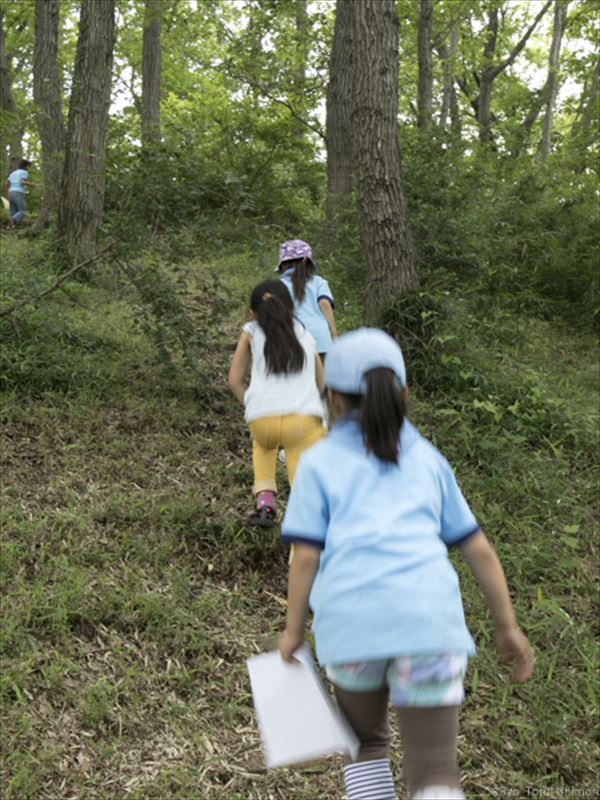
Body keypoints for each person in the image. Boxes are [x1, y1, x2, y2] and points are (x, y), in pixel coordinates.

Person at [277, 328, 534, 800]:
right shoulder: (429, 460)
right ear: (404, 395)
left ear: (332, 398)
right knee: (435, 766)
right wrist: (507, 626)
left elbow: (306, 556)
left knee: (366, 744)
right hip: (430, 627)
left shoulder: (317, 463)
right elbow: (478, 549)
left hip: (351, 629)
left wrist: (293, 631)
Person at [228, 279, 326, 527]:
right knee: (300, 459)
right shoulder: (306, 335)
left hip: (263, 419)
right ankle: (301, 507)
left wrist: (252, 404)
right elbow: (321, 383)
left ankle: (265, 503)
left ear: (252, 313)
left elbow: (234, 380)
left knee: (263, 445)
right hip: (304, 419)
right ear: (292, 309)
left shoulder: (250, 331)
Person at [275, 239, 337, 363]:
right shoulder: (319, 282)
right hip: (321, 339)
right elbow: (324, 304)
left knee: (298, 380)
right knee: (322, 381)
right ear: (306, 260)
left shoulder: (278, 285)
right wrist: (334, 334)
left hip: (292, 340)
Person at [6, 159, 35, 226]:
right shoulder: (24, 172)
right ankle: (11, 219)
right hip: (18, 192)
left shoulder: (13, 173)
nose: (29, 168)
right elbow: (22, 182)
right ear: (27, 166)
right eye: (29, 167)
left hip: (10, 192)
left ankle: (12, 227)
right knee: (23, 211)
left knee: (14, 212)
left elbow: (7, 183)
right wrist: (34, 185)